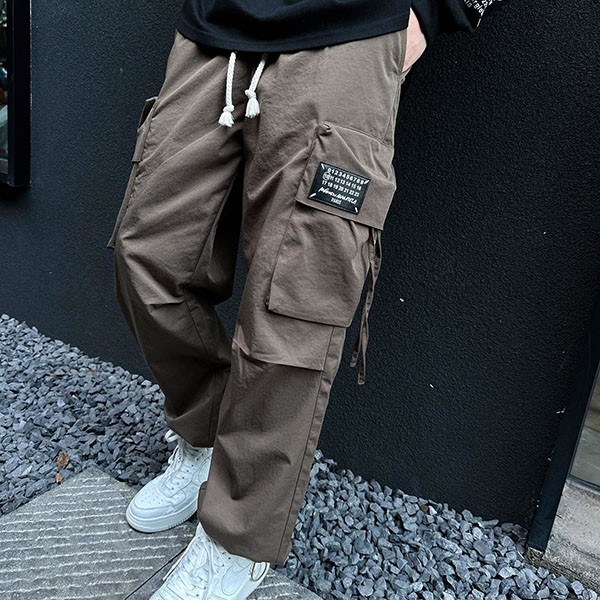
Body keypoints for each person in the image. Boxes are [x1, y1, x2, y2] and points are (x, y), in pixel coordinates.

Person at [107, 0, 500, 597]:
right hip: (216, 24)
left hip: (353, 29)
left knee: (294, 302)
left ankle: (238, 538)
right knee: (148, 256)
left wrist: (433, 10)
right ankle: (206, 434)